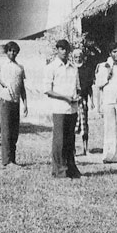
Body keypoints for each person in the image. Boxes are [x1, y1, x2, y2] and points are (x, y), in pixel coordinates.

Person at [0, 41, 28, 167]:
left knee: (14, 132)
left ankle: (13, 159)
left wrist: (25, 104)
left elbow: (22, 87)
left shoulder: (20, 67)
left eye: (14, 51)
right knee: (7, 131)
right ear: (6, 52)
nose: (12, 53)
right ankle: (6, 161)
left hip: (16, 102)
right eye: (10, 51)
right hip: (5, 101)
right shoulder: (1, 63)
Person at [44, 39, 81, 179]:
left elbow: (77, 88)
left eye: (66, 49)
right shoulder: (51, 67)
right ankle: (59, 170)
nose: (64, 52)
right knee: (59, 140)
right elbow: (48, 90)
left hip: (73, 108)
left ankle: (71, 168)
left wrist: (77, 97)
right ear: (57, 50)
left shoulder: (73, 68)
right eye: (61, 49)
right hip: (59, 108)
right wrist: (65, 98)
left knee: (70, 140)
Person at [72, 49, 95, 156]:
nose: (78, 59)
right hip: (72, 101)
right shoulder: (71, 69)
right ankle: (72, 149)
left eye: (79, 56)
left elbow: (90, 87)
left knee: (84, 124)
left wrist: (92, 100)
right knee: (72, 125)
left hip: (83, 100)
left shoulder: (87, 69)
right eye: (75, 57)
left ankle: (86, 148)